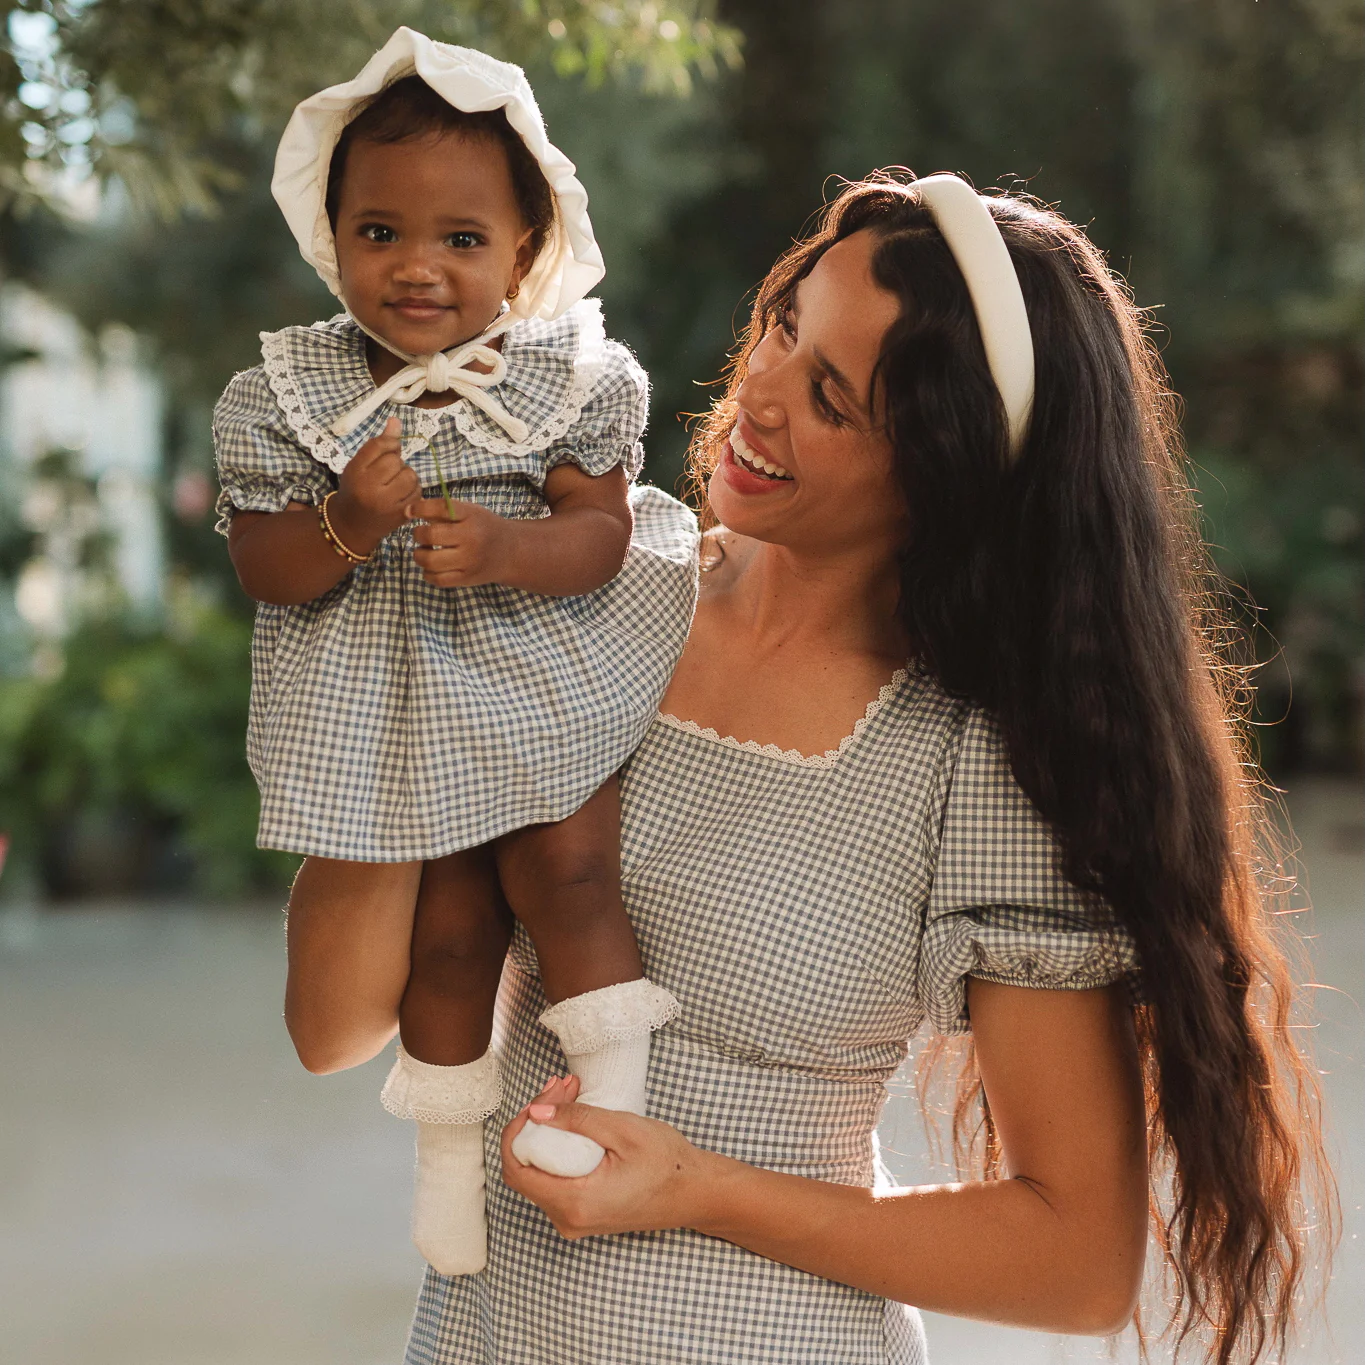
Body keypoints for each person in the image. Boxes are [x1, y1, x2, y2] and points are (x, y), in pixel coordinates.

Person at [291, 168, 1333, 1365]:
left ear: (941, 466)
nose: (759, 395)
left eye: (832, 398)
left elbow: (1077, 1263)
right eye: (785, 327)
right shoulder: (594, 599)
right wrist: (391, 708)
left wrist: (698, 1187)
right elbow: (332, 1028)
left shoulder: (976, 761)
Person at [212, 29, 697, 1279]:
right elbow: (265, 565)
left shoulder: (570, 377)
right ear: (332, 235)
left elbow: (600, 535)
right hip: (395, 712)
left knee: (572, 878)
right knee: (453, 933)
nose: (418, 267)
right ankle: (446, 1169)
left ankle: (615, 1111)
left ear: (525, 252)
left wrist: (509, 548)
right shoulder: (288, 394)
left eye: (463, 239)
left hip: (539, 678)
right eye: (379, 232)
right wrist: (347, 521)